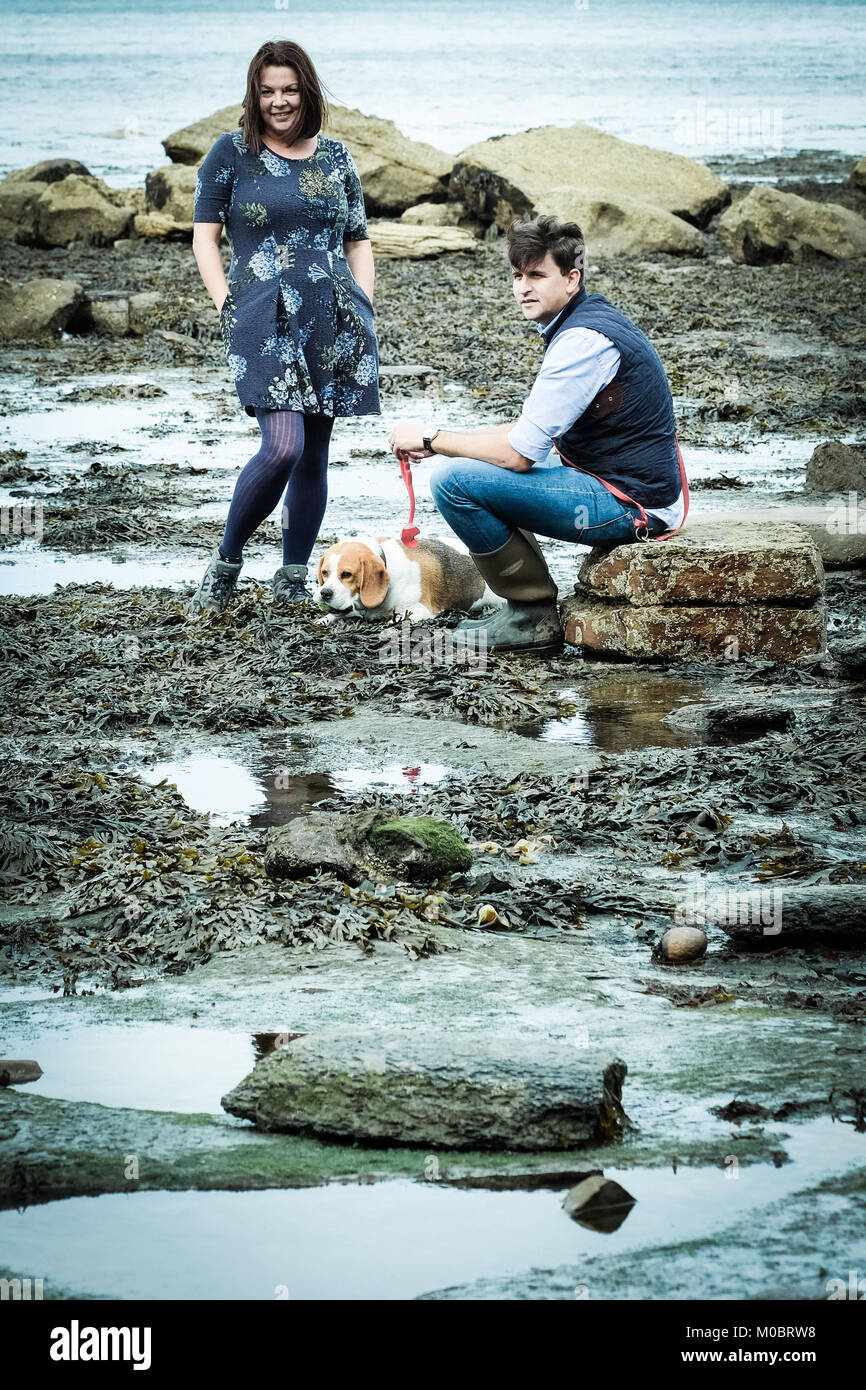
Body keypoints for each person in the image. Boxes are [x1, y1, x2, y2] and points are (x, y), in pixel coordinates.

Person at [388, 215, 686, 655]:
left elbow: (520, 455)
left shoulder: (581, 340)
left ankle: (530, 616)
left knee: (453, 483)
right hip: (628, 484)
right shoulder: (585, 319)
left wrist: (432, 439)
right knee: (470, 465)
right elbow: (532, 434)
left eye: (537, 275)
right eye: (517, 275)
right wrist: (441, 443)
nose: (523, 287)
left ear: (571, 278)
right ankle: (526, 608)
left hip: (633, 504)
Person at [190, 39, 379, 614]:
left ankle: (293, 575)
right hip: (261, 315)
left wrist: (363, 305)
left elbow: (358, 239)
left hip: (331, 317)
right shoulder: (230, 153)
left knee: (314, 454)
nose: (279, 101)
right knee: (282, 447)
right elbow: (205, 234)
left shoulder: (337, 157)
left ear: (307, 92)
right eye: (268, 90)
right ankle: (226, 563)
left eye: (289, 90)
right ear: (255, 92)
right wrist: (227, 304)